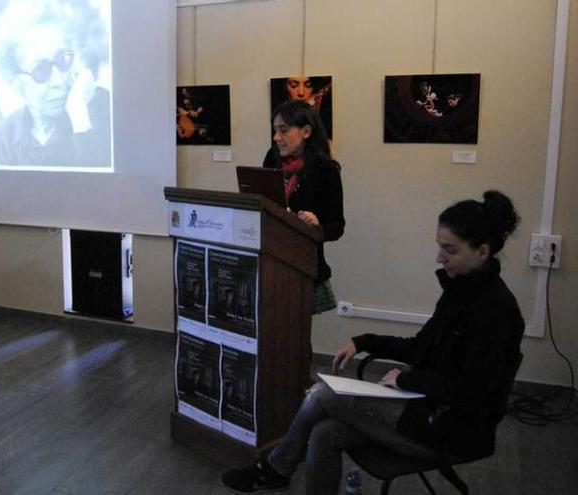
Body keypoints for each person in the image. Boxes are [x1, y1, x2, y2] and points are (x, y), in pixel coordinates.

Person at [222, 190, 524, 494]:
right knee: (326, 433)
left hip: (452, 430)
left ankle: (274, 469)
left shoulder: (497, 312)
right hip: (424, 408)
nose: (439, 257)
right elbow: (422, 347)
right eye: (440, 247)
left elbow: (472, 391)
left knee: (322, 394)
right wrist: (363, 341)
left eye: (450, 250)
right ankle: (278, 470)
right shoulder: (461, 290)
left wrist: (408, 378)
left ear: (482, 252)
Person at [0, 0, 111, 167]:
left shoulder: (103, 108)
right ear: (14, 81)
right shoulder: (3, 138)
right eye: (41, 70)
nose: (59, 81)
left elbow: (100, 187)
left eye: (63, 60)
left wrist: (79, 116)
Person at [262, 100, 344, 314]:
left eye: (283, 130)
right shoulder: (272, 159)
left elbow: (337, 227)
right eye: (275, 130)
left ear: (306, 131)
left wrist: (316, 225)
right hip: (269, 259)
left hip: (301, 265)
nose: (276, 137)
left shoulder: (326, 170)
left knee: (294, 336)